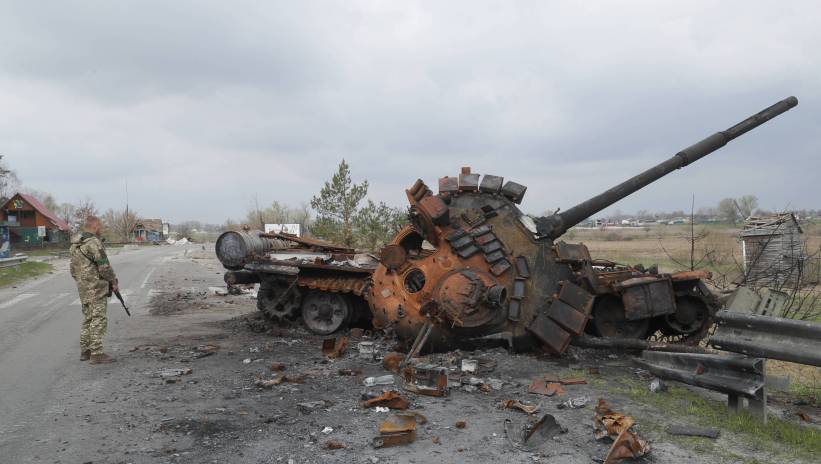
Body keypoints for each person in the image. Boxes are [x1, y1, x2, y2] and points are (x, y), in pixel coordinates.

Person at [69, 215, 118, 364]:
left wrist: (82, 282)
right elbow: (104, 266)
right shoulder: (94, 243)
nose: (100, 228)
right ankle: (97, 353)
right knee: (98, 319)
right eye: (100, 226)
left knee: (88, 318)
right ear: (95, 226)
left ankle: (85, 351)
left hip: (83, 288)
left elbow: (72, 270)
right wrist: (113, 281)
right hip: (96, 288)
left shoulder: (75, 245)